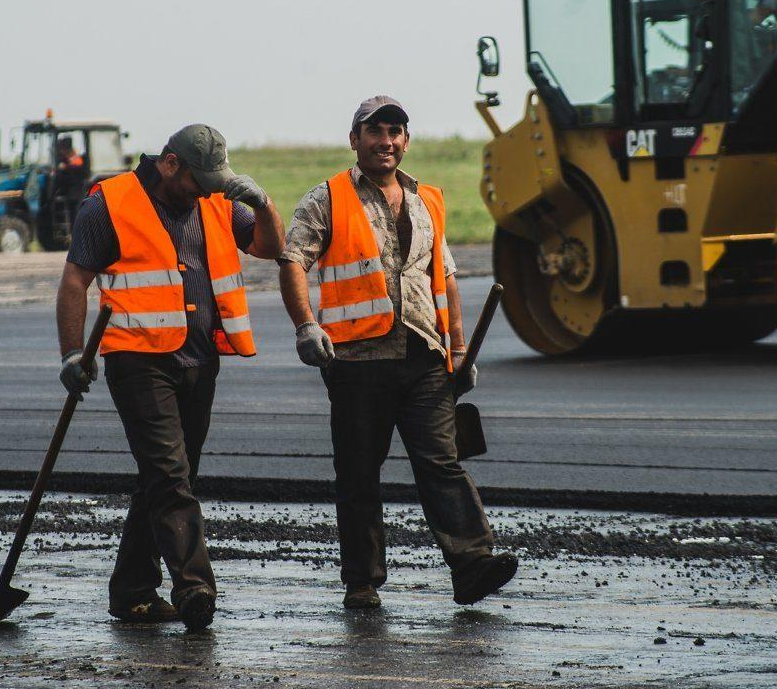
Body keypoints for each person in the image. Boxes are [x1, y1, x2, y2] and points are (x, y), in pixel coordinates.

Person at [278, 95, 517, 610]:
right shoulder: (327, 198)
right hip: (357, 362)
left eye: (395, 132)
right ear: (355, 139)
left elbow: (444, 275)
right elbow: (293, 260)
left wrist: (458, 350)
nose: (386, 141)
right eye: (376, 132)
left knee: (442, 462)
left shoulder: (426, 199)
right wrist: (305, 326)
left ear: (405, 141)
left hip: (424, 357)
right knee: (359, 474)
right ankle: (361, 581)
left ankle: (472, 564)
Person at [55, 124, 284, 630]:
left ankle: (134, 592)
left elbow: (269, 247)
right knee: (170, 476)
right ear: (169, 163)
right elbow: (75, 278)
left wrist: (263, 203)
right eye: (198, 179)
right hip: (137, 361)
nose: (206, 189)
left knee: (167, 479)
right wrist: (73, 353)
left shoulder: (219, 200)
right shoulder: (109, 203)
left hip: (200, 361)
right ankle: (194, 586)